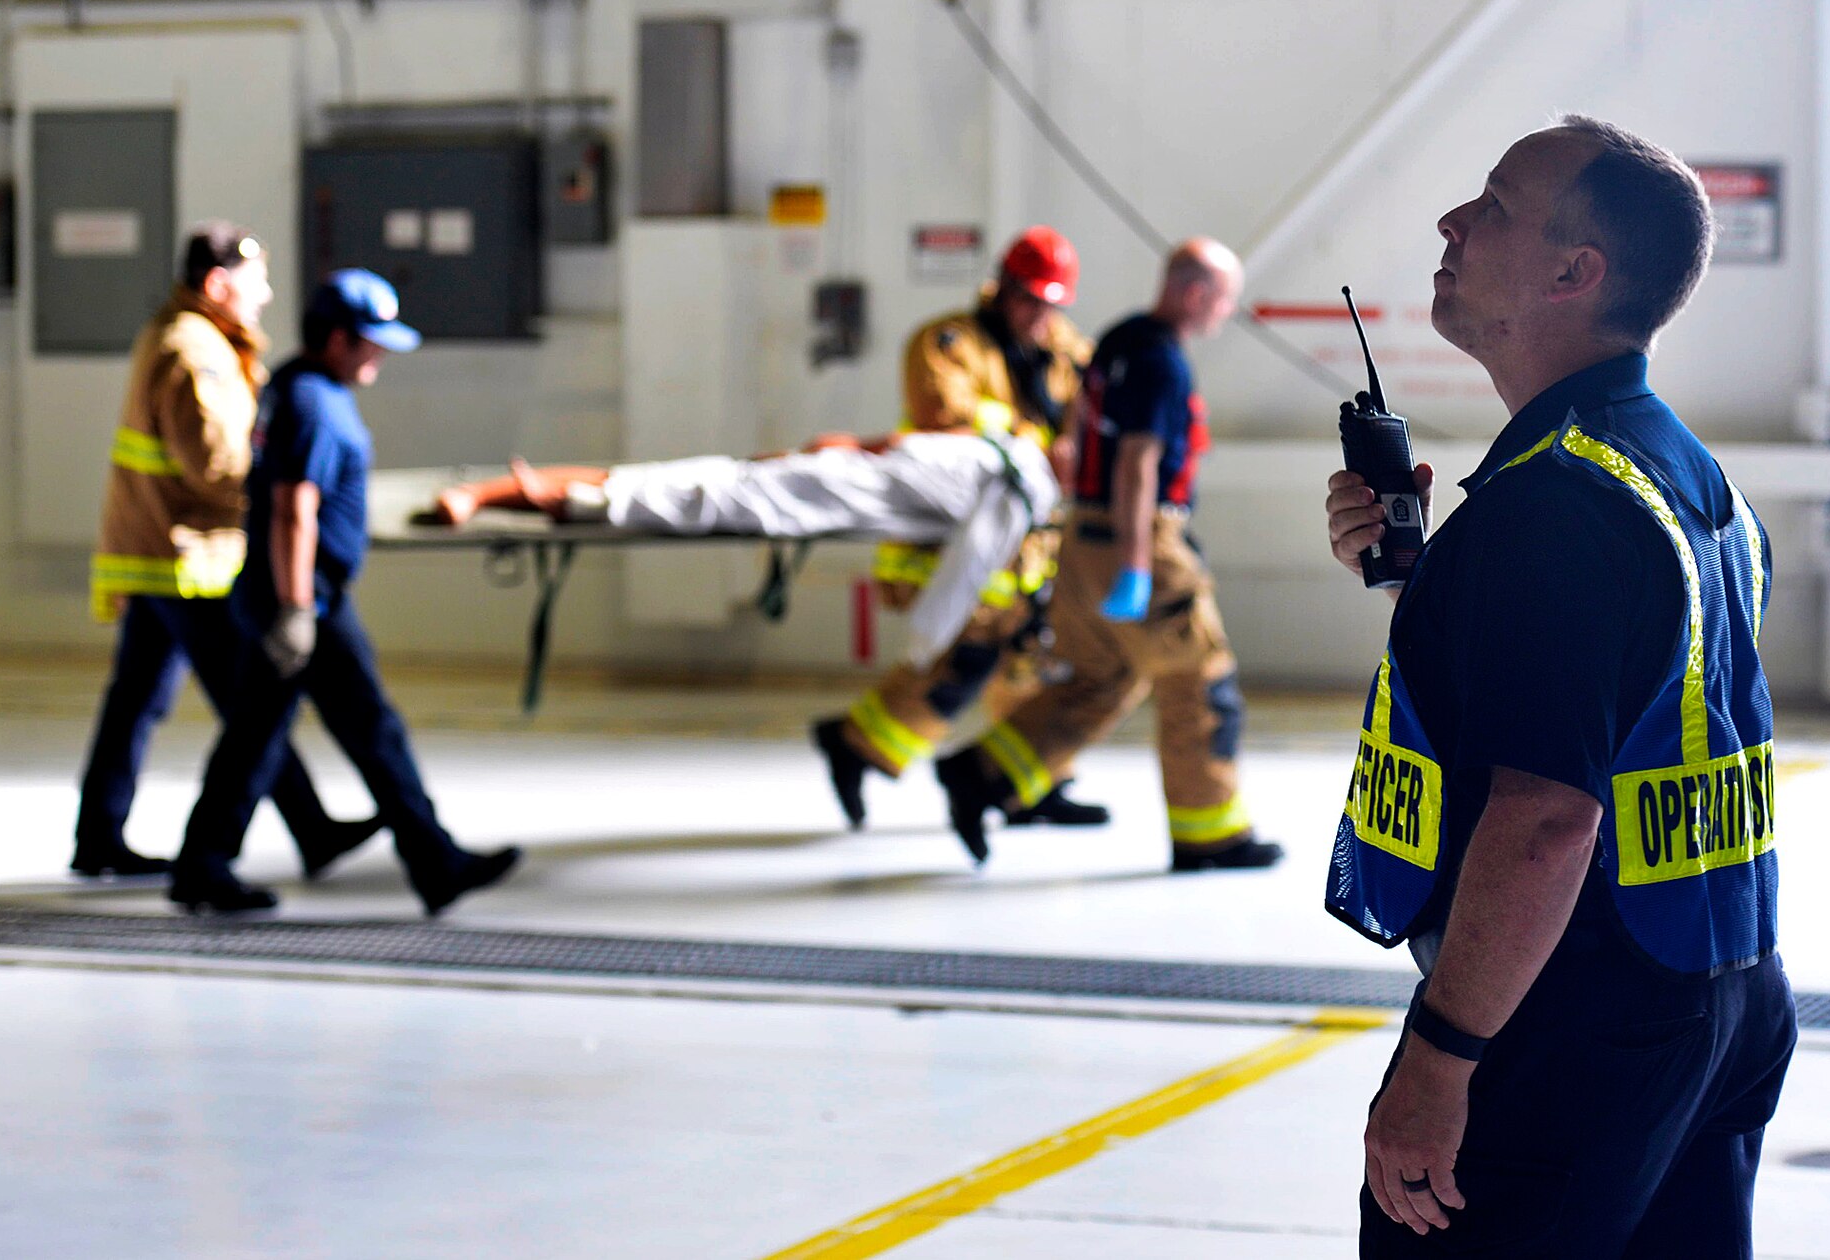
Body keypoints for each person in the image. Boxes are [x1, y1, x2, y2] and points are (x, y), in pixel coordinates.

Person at [1321, 118, 1794, 1255]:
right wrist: (1425, 590)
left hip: (1565, 1016)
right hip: (1714, 996)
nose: (1451, 221)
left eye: (1490, 204)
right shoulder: (1674, 469)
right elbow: (1610, 694)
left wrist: (1441, 1053)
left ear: (1572, 273)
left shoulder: (1551, 508)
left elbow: (1545, 816)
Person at [169, 270, 521, 915]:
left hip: (290, 593)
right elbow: (292, 510)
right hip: (305, 601)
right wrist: (298, 610)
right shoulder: (314, 405)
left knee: (263, 735)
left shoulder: (299, 386)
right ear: (336, 338)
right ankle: (432, 860)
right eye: (371, 341)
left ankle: (203, 865)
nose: (381, 354)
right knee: (362, 730)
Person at [933, 238, 1285, 872]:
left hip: (1082, 539)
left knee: (1100, 679)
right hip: (1136, 535)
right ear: (1197, 293)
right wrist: (1138, 562)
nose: (1224, 313)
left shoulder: (1117, 341)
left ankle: (981, 774)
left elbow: (1079, 437)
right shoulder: (1162, 362)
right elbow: (1137, 466)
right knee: (1198, 679)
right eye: (1224, 300)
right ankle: (1209, 833)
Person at [73, 223, 376, 880]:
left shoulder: (181, 335)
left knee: (140, 700)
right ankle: (292, 834)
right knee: (255, 699)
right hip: (187, 558)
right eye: (255, 281)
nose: (265, 295)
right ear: (217, 285)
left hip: (157, 551)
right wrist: (287, 487)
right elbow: (214, 463)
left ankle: (98, 835)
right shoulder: (196, 352)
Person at [809, 226, 1108, 831]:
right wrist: (1039, 440)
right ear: (1000, 289)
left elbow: (1096, 398)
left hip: (1030, 545)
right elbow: (943, 415)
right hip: (954, 542)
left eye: (1053, 304)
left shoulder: (1065, 348)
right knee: (964, 662)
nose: (1040, 316)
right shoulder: (947, 342)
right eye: (1030, 300)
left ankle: (1033, 783)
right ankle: (856, 744)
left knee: (1037, 662)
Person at [431, 428, 1060, 671]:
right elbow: (969, 567)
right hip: (819, 485)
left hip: (828, 485)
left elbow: (965, 544)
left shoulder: (1013, 468)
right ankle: (497, 491)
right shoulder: (1015, 471)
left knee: (671, 484)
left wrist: (833, 448)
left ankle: (494, 491)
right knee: (661, 492)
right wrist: (924, 646)